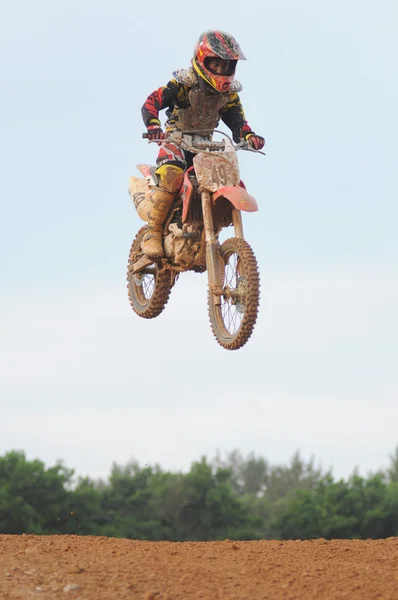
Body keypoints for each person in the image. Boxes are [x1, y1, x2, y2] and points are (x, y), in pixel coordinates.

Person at [140, 30, 265, 258]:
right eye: (216, 64)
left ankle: (207, 232)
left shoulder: (229, 94)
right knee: (171, 172)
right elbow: (152, 102)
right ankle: (152, 231)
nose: (221, 71)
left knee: (226, 176)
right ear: (202, 60)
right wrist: (153, 126)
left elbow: (238, 122)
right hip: (175, 140)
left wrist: (249, 137)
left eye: (226, 66)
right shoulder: (183, 84)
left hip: (206, 147)